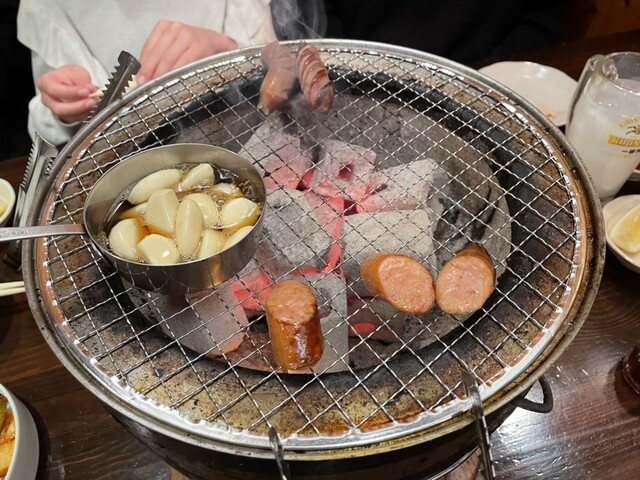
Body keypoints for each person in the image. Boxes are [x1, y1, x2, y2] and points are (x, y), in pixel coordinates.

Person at [17, 0, 277, 148]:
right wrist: (63, 110)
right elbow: (44, 131)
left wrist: (226, 46)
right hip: (125, 164)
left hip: (245, 137)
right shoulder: (48, 5)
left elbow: (277, 59)